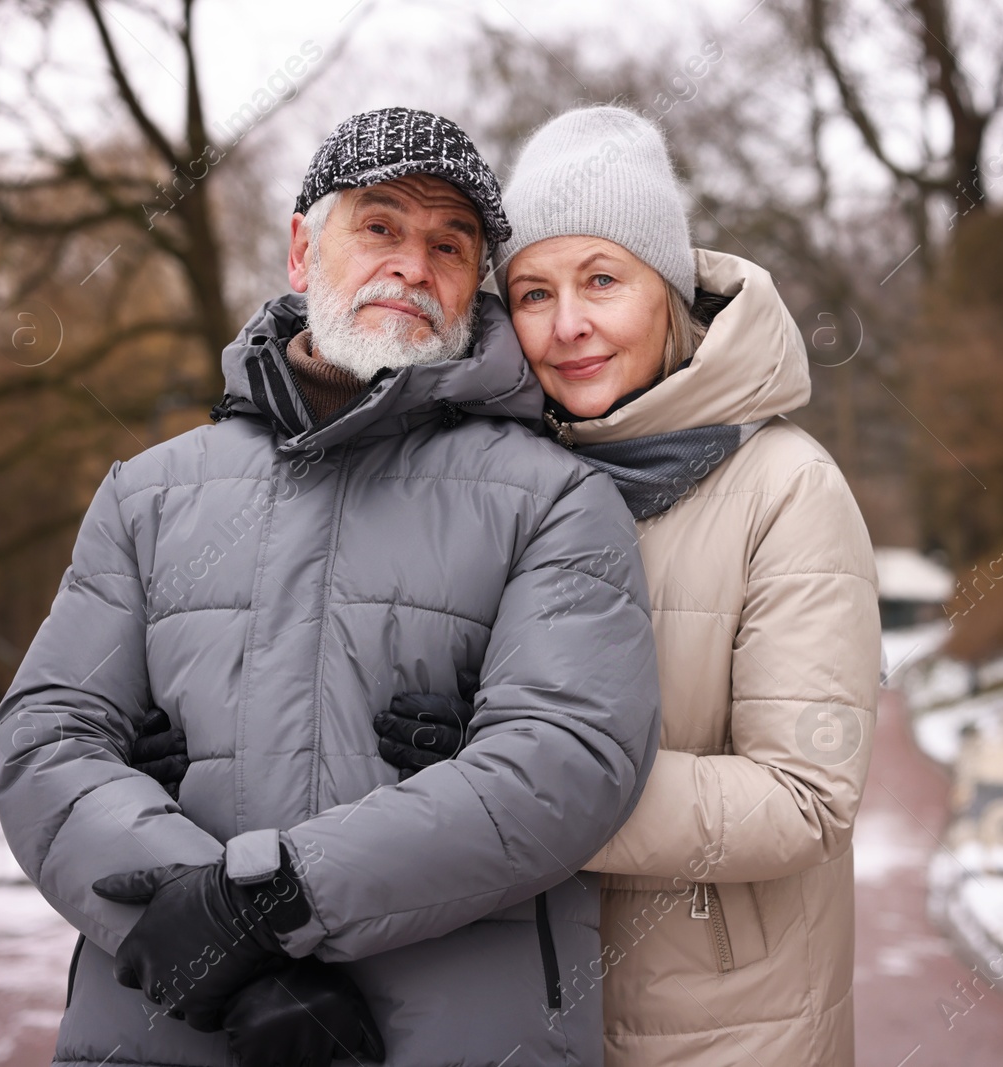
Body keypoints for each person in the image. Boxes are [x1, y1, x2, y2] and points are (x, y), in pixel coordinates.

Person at [0, 107, 660, 1067]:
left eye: (450, 244)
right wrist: (220, 941)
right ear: (304, 251)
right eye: (379, 226)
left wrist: (266, 901)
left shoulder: (556, 498)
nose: (412, 265)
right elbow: (45, 737)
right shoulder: (147, 493)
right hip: (166, 1025)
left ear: (477, 288)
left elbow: (566, 757)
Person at [376, 106, 881, 1065]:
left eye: (602, 280)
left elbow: (808, 794)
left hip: (727, 1026)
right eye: (532, 292)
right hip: (515, 1010)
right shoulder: (492, 482)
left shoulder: (787, 488)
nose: (568, 326)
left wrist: (530, 785)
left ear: (668, 291)